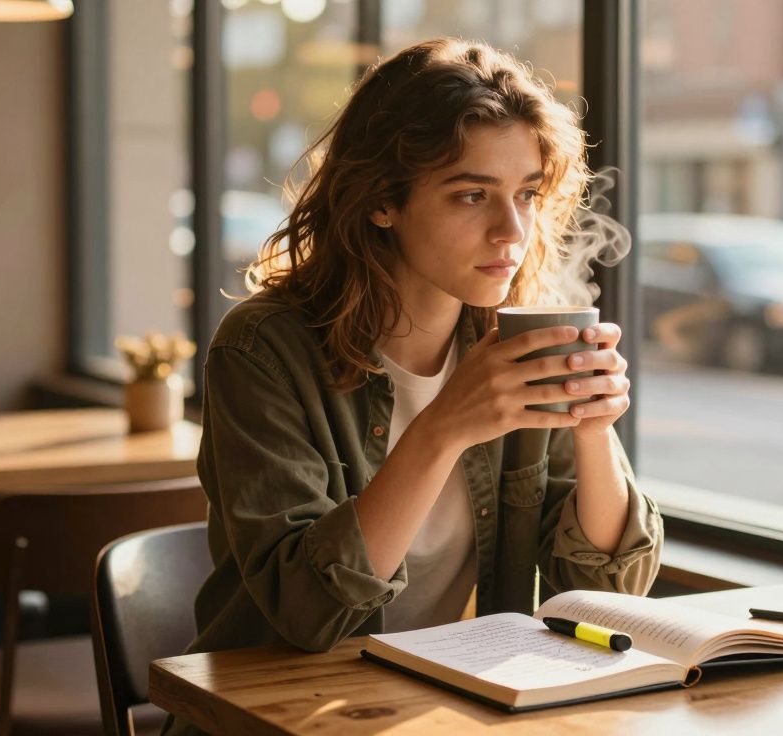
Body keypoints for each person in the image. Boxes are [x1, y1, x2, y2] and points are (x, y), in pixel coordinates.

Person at [164, 38, 662, 736]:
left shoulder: (511, 344)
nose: (511, 230)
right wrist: (444, 427)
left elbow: (607, 593)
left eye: (525, 194)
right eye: (470, 195)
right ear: (381, 202)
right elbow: (310, 613)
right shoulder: (262, 350)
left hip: (440, 711)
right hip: (270, 718)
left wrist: (593, 426)